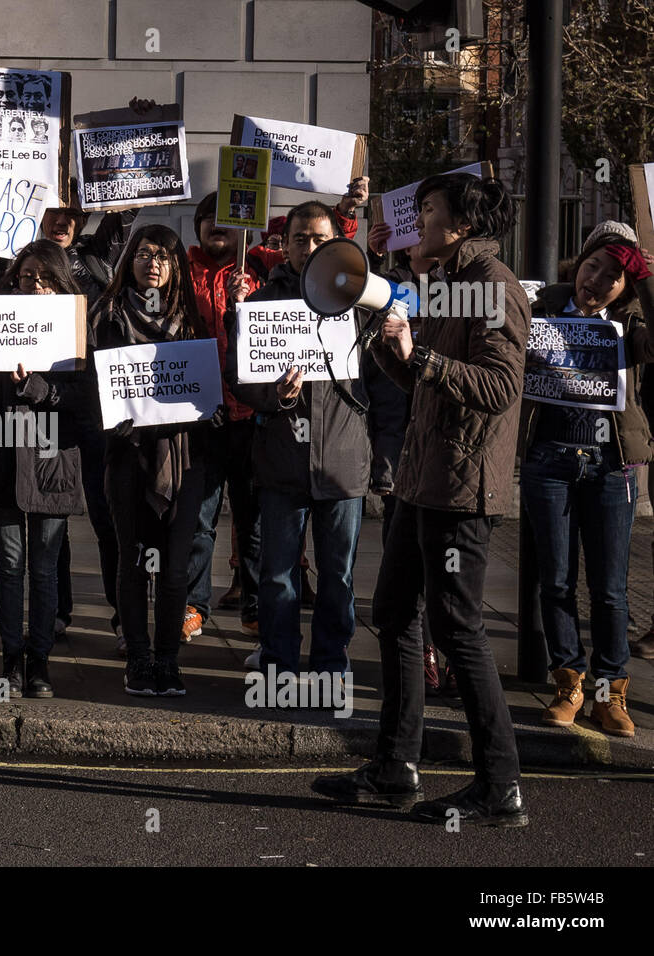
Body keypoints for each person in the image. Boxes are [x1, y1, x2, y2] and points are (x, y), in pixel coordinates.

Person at [313, 173, 530, 827]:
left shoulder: (494, 285)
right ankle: (396, 764)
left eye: (428, 211)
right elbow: (420, 379)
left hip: (461, 490)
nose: (415, 222)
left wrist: (425, 357)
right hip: (422, 478)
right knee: (394, 612)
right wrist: (393, 352)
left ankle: (501, 785)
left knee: (458, 630)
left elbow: (499, 386)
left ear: (460, 225)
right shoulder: (444, 285)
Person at [226, 202, 377, 684]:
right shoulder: (263, 302)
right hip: (282, 462)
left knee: (338, 577)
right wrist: (272, 395)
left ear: (337, 242)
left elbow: (386, 384)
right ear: (283, 245)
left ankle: (332, 665)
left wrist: (385, 457)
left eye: (318, 238)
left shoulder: (363, 302)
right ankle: (278, 665)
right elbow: (239, 377)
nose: (308, 248)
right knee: (277, 576)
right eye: (299, 239)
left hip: (344, 462)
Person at [521, 221, 654, 737]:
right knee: (555, 581)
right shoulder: (543, 306)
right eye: (593, 264)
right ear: (579, 261)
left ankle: (610, 692)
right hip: (549, 460)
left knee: (610, 589)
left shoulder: (632, 321)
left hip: (611, 465)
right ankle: (568, 683)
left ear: (626, 285)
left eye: (614, 274)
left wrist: (644, 283)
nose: (596, 279)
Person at [93, 224, 217, 696]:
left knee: (174, 565)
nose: (153, 263)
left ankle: (168, 659)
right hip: (129, 455)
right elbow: (95, 384)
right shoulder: (109, 313)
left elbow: (206, 377)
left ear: (175, 267)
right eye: (144, 254)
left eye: (163, 256)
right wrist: (113, 417)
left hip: (184, 459)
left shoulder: (189, 317)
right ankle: (138, 657)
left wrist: (213, 410)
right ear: (130, 260)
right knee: (131, 560)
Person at [0, 239, 87, 698]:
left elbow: (86, 400)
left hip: (52, 461)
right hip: (3, 463)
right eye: (26, 276)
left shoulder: (74, 326)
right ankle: (10, 659)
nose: (33, 285)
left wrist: (41, 390)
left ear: (59, 283)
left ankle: (41, 663)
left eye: (43, 278)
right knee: (11, 565)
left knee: (45, 569)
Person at [365, 219, 446, 698]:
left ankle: (441, 652)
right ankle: (419, 658)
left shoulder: (457, 291)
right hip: (399, 446)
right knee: (403, 562)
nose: (418, 237)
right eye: (410, 229)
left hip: (439, 445)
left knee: (442, 566)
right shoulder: (390, 285)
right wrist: (373, 262)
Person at [184, 191, 267, 644]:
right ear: (197, 228)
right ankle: (194, 606)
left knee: (252, 520)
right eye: (207, 219)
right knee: (200, 518)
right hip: (203, 419)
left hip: (252, 417)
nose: (216, 225)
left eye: (227, 219)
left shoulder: (258, 267)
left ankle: (255, 609)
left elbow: (312, 250)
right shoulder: (181, 273)